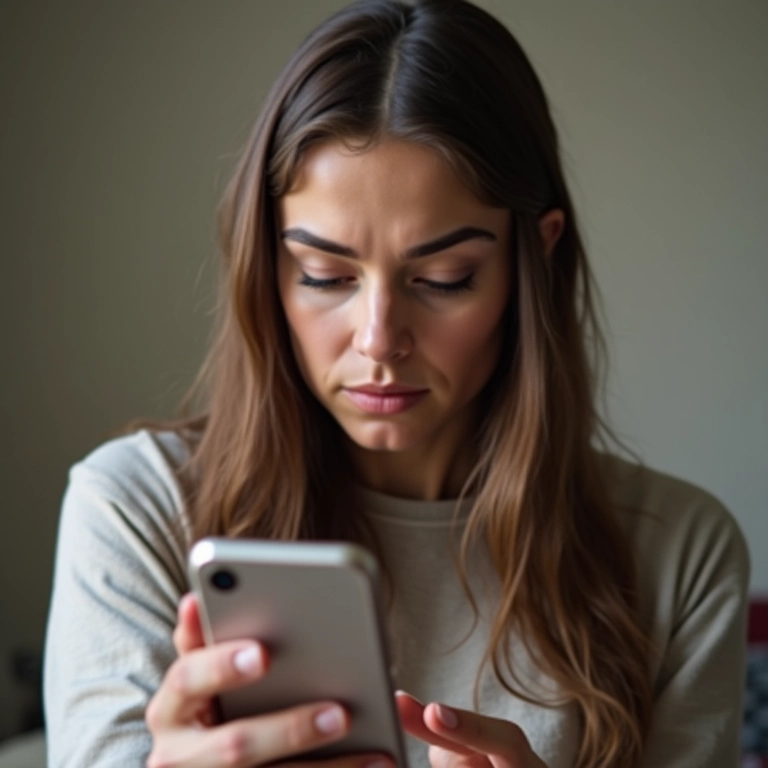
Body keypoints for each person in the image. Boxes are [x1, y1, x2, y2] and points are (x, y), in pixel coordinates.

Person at [43, 1, 750, 767]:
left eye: (445, 278)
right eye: (324, 275)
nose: (379, 338)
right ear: (267, 269)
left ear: (533, 259)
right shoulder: (135, 513)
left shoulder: (680, 555)